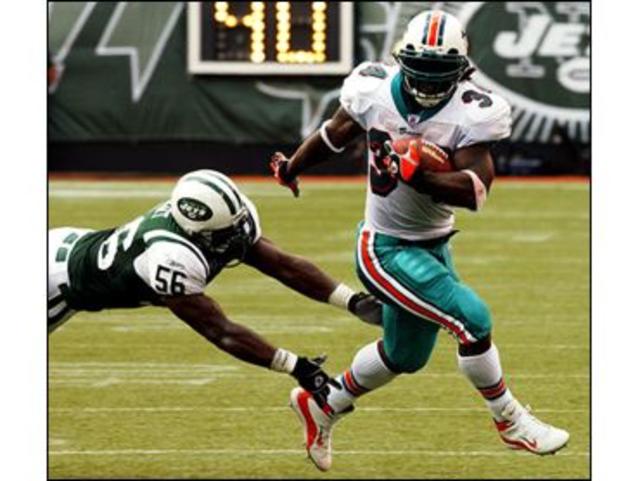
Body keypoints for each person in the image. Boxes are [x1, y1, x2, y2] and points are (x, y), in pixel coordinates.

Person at [270, 10, 570, 471]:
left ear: (462, 70)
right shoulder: (371, 90)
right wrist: (292, 166)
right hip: (383, 248)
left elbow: (475, 190)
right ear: (401, 60)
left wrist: (419, 174)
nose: (428, 81)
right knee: (473, 319)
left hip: (432, 243)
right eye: (420, 69)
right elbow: (335, 134)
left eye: (439, 72)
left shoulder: (473, 109)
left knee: (405, 355)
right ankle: (510, 419)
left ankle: (323, 403)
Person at [48, 169, 381, 404]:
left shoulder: (221, 218)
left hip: (72, 245)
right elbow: (219, 330)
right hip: (52, 283)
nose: (239, 235)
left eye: (238, 224)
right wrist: (296, 367)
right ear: (196, 231)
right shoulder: (170, 257)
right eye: (228, 232)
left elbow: (282, 265)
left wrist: (353, 302)